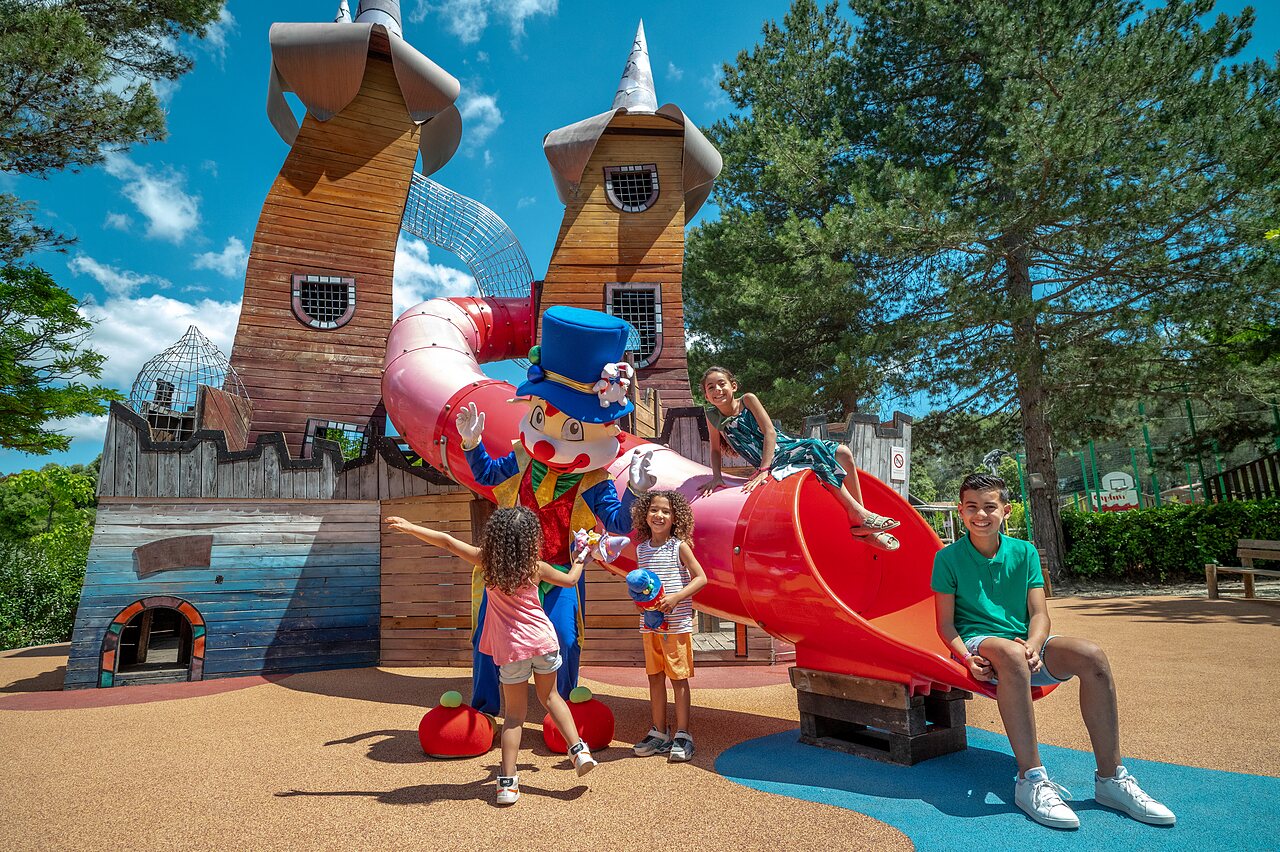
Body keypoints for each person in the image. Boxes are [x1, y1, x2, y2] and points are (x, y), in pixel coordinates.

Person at [931, 473, 1175, 830]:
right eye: (972, 507)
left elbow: (1040, 614)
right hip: (979, 644)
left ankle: (1111, 779)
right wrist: (967, 658)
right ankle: (1030, 780)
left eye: (989, 507)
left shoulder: (1025, 552)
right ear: (961, 510)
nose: (980, 515)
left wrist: (1032, 646)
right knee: (1012, 656)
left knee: (1091, 655)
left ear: (1006, 511)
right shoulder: (948, 558)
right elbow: (946, 625)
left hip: (1024, 642)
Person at [385, 507, 599, 805]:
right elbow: (572, 579)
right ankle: (578, 750)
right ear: (531, 540)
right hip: (543, 642)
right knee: (552, 698)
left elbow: (447, 541)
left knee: (514, 717)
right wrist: (580, 557)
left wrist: (411, 527)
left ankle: (508, 784)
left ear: (495, 537)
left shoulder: (487, 563)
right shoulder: (536, 567)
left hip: (512, 651)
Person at [697, 365, 899, 550]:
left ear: (733, 386)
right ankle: (857, 514)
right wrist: (717, 477)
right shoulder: (712, 416)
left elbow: (770, 432)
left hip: (781, 448)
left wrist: (763, 470)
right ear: (706, 395)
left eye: (721, 384)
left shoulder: (748, 400)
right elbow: (715, 450)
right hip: (770, 461)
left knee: (844, 453)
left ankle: (862, 522)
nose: (717, 390)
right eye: (711, 387)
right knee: (813, 446)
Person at [627, 490, 708, 763]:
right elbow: (645, 587)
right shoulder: (641, 549)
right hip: (650, 626)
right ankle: (660, 733)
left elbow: (701, 578)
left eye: (666, 511)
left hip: (677, 624)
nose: (659, 515)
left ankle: (684, 735)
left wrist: (675, 598)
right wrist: (641, 603)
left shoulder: (679, 546)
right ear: (644, 515)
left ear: (675, 518)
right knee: (654, 677)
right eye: (653, 510)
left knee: (678, 678)